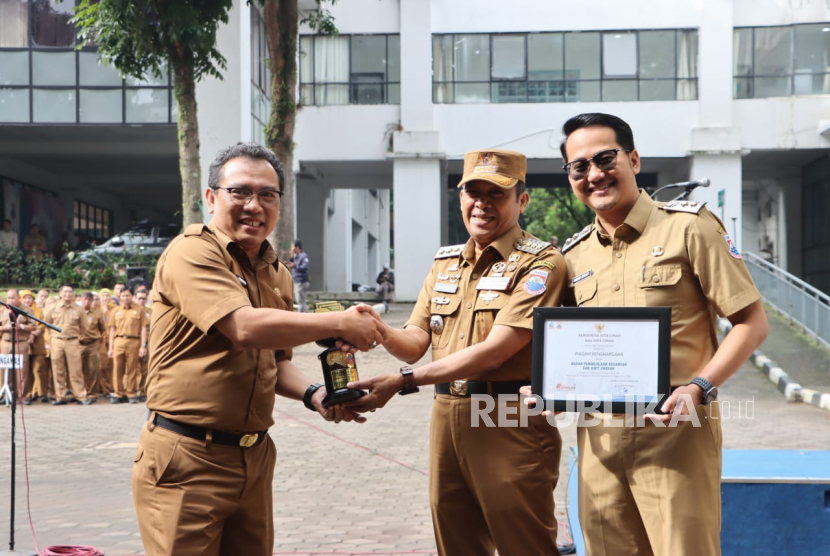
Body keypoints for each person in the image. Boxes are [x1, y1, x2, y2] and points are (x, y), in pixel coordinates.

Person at [132, 142, 382, 556]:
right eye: (241, 192)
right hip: (187, 457)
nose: (255, 205)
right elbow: (244, 328)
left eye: (268, 195)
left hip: (254, 457)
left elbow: (275, 362)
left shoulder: (276, 272)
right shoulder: (191, 252)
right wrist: (340, 321)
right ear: (211, 198)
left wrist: (315, 394)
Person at [547, 112, 768, 556]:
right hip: (598, 443)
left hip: (676, 435)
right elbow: (563, 346)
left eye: (605, 159)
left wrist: (699, 387)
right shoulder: (571, 256)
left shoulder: (690, 227)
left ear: (632, 159)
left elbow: (751, 322)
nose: (594, 175)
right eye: (579, 167)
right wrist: (548, 382)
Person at [345, 149, 567, 555]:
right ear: (460, 198)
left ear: (522, 200)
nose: (481, 203)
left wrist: (401, 382)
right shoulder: (445, 264)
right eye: (472, 192)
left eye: (496, 194)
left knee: (524, 544)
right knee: (456, 543)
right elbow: (414, 343)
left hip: (508, 420)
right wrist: (378, 328)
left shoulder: (541, 264)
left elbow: (497, 351)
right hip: (447, 420)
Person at [44, 284, 90, 405]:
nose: (68, 294)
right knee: (57, 369)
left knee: (76, 370)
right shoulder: (52, 307)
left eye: (70, 292)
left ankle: (80, 395)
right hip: (57, 341)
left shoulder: (78, 309)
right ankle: (61, 396)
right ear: (60, 294)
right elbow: (47, 324)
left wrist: (75, 335)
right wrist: (53, 337)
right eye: (65, 292)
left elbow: (84, 327)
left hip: (73, 340)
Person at [108, 287, 147, 404]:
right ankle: (118, 393)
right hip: (118, 341)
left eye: (128, 295)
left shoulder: (139, 309)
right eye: (123, 295)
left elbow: (143, 328)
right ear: (119, 296)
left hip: (134, 341)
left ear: (132, 296)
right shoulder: (115, 310)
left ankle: (131, 393)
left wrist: (143, 345)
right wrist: (110, 348)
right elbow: (112, 330)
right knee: (117, 369)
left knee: (132, 369)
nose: (125, 298)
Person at [0, 289, 33, 401]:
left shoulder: (27, 310)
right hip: (6, 343)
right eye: (9, 298)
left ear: (19, 298)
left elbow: (34, 327)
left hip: (21, 343)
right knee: (5, 370)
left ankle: (21, 395)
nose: (10, 300)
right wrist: (4, 328)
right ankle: (6, 394)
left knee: (21, 371)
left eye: (13, 298)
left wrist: (22, 327)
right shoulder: (3, 309)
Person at [20, 290, 50, 404]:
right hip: (25, 343)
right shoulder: (20, 311)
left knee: (39, 368)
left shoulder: (38, 311)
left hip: (38, 343)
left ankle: (42, 393)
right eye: (25, 298)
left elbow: (43, 324)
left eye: (30, 298)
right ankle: (27, 394)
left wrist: (35, 332)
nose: (27, 300)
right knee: (26, 371)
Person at [79, 292, 105, 401]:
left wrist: (99, 340)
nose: (87, 302)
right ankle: (80, 392)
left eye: (90, 300)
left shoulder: (97, 313)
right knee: (78, 369)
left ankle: (92, 393)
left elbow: (103, 329)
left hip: (93, 344)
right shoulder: (76, 311)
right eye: (85, 299)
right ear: (81, 299)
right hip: (78, 344)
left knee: (92, 369)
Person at [134, 289, 151, 402]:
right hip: (133, 342)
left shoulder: (151, 312)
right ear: (135, 298)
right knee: (133, 369)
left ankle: (142, 391)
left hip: (148, 343)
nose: (141, 300)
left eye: (143, 298)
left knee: (146, 369)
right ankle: (132, 391)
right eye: (139, 298)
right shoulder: (131, 310)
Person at [287, 239, 310, 312]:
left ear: (297, 247)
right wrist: (291, 258)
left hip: (301, 282)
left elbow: (305, 267)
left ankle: (303, 317)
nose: (291, 249)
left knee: (301, 301)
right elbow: (292, 264)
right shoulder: (295, 256)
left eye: (292, 247)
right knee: (300, 301)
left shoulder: (303, 256)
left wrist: (295, 265)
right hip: (296, 281)